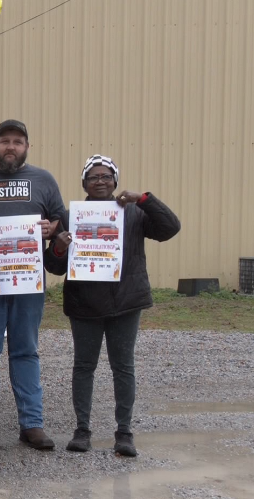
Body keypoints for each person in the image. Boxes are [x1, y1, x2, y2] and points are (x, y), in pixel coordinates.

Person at [44, 155, 180, 457]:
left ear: (116, 181)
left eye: (106, 176)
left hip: (125, 303)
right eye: (93, 177)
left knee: (123, 367)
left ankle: (124, 432)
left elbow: (170, 228)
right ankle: (82, 430)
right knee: (83, 367)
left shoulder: (132, 213)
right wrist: (58, 246)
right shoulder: (70, 217)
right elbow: (53, 266)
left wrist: (144, 199)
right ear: (84, 183)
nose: (100, 181)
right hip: (84, 305)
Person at [0, 119, 66, 451]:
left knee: (26, 351)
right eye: (4, 141)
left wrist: (50, 230)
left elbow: (61, 225)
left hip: (28, 283)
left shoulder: (43, 180)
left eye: (17, 141)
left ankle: (32, 424)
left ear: (27, 147)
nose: (10, 147)